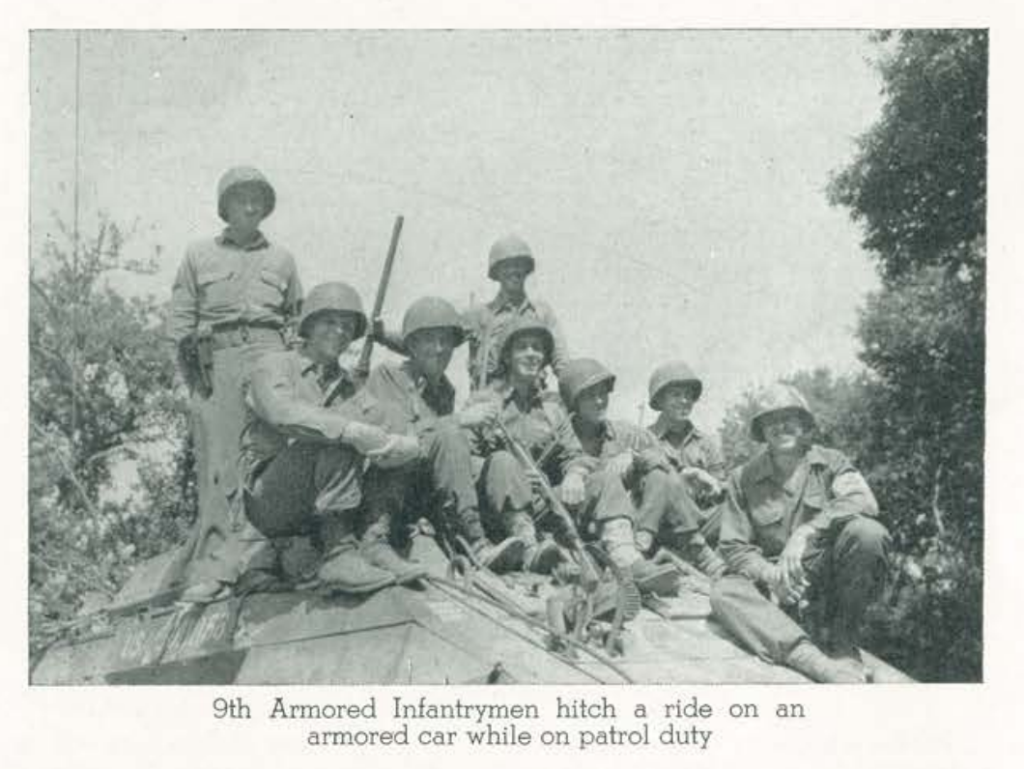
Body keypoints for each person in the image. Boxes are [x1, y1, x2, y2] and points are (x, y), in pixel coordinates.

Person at [167, 166, 302, 602]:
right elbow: (180, 323)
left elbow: (296, 321)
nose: (250, 205)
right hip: (218, 361)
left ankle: (264, 562)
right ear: (224, 206)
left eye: (257, 198)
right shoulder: (198, 254)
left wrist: (290, 372)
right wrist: (197, 384)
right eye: (241, 197)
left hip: (269, 355)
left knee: (270, 459)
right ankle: (214, 570)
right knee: (219, 467)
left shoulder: (283, 259)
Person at [239, 282, 420, 594]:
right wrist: (351, 431)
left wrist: (408, 441)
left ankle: (373, 540)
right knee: (339, 431)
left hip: (315, 507)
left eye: (347, 326)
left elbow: (383, 417)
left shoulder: (349, 384)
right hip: (270, 501)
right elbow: (281, 412)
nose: (340, 332)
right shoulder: (273, 365)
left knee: (387, 423)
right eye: (330, 323)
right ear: (308, 325)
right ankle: (338, 556)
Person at [710, 383, 891, 683]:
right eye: (770, 420)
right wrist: (771, 575)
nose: (780, 426)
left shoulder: (830, 462)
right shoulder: (742, 478)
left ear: (804, 423)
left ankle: (844, 646)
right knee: (723, 591)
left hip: (825, 584)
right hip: (776, 593)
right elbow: (733, 547)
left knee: (868, 533)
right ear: (761, 430)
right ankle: (813, 662)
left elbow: (864, 501)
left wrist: (806, 531)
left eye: (789, 418)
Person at [359, 296, 527, 576]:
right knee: (450, 432)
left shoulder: (444, 390)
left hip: (423, 494)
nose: (439, 349)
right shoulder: (389, 376)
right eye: (429, 340)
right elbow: (396, 441)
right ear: (410, 345)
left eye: (446, 341)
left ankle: (523, 537)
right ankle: (476, 542)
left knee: (498, 460)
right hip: (387, 489)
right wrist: (460, 420)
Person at [559, 358, 725, 579]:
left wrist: (633, 457)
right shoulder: (559, 437)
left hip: (646, 524)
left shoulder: (626, 433)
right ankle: (684, 552)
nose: (600, 401)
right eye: (590, 395)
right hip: (581, 522)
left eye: (603, 394)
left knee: (660, 475)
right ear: (574, 401)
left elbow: (660, 462)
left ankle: (648, 545)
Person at [462, 234, 570, 389]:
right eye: (506, 265)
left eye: (519, 264)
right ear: (496, 271)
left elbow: (562, 362)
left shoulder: (541, 313)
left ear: (527, 270)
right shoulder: (479, 315)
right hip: (489, 401)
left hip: (531, 401)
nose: (514, 270)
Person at [647, 360, 728, 545]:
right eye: (676, 395)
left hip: (703, 524)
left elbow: (722, 486)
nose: (684, 401)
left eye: (688, 396)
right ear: (660, 400)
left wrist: (710, 482)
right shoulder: (645, 439)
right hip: (661, 527)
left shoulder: (706, 443)